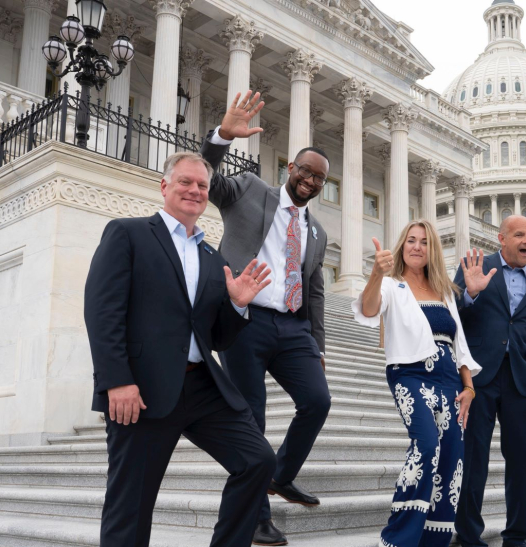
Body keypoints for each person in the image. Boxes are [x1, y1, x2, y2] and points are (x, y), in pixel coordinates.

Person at [85, 151, 276, 546]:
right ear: (165, 186)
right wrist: (116, 380)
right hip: (141, 390)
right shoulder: (128, 233)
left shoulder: (212, 257)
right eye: (185, 182)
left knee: (257, 461)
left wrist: (238, 304)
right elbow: (102, 311)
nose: (194, 190)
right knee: (131, 504)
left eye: (202, 185)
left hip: (202, 388)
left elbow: (217, 338)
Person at [200, 91, 331, 546]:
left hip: (293, 327)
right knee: (251, 419)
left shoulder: (318, 231)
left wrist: (317, 346)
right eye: (305, 171)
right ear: (290, 169)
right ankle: (257, 518)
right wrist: (220, 138)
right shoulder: (252, 190)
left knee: (318, 401)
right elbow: (207, 181)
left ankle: (280, 474)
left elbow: (314, 291)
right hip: (245, 319)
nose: (310, 180)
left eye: (319, 178)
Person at [353, 220, 481, 547]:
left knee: (452, 458)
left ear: (431, 250)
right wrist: (375, 273)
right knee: (426, 445)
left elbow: (459, 344)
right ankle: (397, 537)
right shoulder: (390, 285)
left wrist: (468, 387)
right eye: (411, 240)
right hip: (409, 374)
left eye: (424, 242)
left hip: (449, 379)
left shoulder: (444, 291)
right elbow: (368, 310)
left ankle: (433, 539)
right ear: (402, 245)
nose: (417, 246)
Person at [453, 215, 526, 547]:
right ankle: (469, 536)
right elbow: (453, 314)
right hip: (478, 380)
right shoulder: (476, 266)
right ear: (502, 238)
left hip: (520, 382)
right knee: (472, 458)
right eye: (519, 234)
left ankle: (517, 537)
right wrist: (469, 294)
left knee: (523, 460)